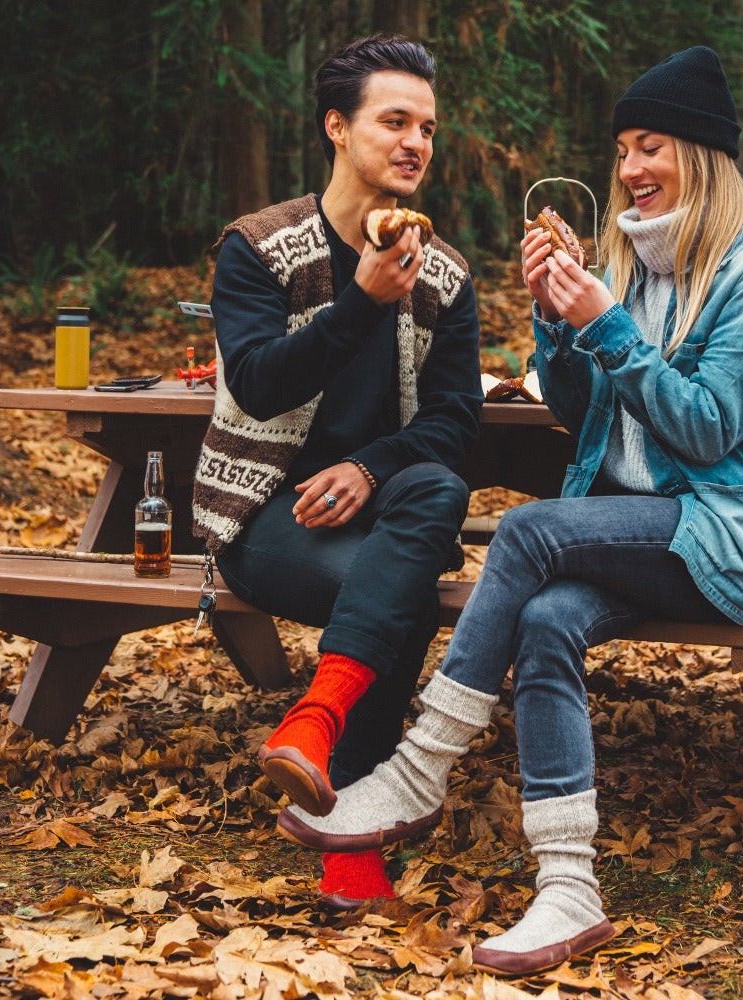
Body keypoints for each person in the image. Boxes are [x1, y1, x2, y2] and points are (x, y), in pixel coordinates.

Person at [275, 45, 743, 974]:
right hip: (638, 531)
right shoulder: (639, 264)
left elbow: (708, 429)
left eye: (653, 147)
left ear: (704, 156)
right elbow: (579, 409)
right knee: (545, 615)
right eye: (622, 151)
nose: (632, 169)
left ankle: (416, 770)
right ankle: (569, 889)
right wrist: (554, 320)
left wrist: (603, 320)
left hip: (731, 535)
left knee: (524, 531)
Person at [190, 35, 483, 910]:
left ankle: (318, 734)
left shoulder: (447, 276)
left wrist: (366, 463)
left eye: (427, 128)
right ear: (336, 128)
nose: (415, 144)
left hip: (383, 507)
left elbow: (453, 424)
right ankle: (351, 832)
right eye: (394, 121)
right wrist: (361, 301)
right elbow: (257, 379)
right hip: (266, 513)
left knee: (436, 490)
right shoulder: (259, 247)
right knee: (395, 586)